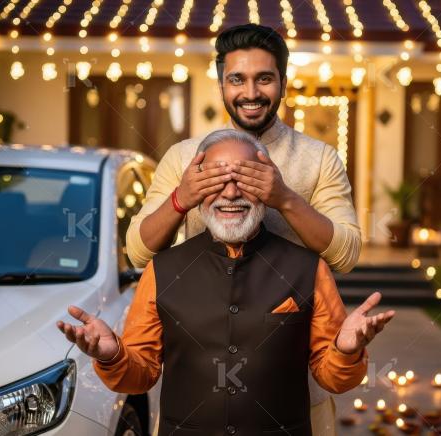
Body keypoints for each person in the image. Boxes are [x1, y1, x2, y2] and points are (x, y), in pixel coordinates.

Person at [58, 130, 394, 435]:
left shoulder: (309, 269)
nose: (231, 193)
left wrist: (345, 352)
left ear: (266, 186)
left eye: (245, 180)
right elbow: (140, 373)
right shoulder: (161, 270)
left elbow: (331, 376)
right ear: (197, 188)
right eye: (217, 180)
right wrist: (112, 354)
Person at [124, 24, 362, 432]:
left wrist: (285, 198)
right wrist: (181, 200)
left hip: (299, 387)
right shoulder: (184, 156)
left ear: (283, 84)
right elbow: (137, 251)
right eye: (237, 79)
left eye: (264, 78)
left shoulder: (319, 158)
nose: (250, 93)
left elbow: (346, 253)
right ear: (221, 85)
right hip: (197, 390)